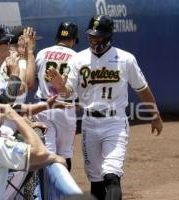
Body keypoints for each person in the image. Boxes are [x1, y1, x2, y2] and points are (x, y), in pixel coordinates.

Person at [46, 15, 163, 200]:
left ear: (108, 36)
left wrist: (155, 115)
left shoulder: (125, 59)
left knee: (111, 176)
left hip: (115, 123)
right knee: (96, 180)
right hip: (89, 123)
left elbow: (142, 88)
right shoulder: (78, 59)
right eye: (91, 35)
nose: (94, 39)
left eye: (98, 36)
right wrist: (61, 86)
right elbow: (68, 92)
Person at [35, 21, 79, 171]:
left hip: (43, 107)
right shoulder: (76, 57)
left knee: (47, 155)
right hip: (65, 109)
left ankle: (47, 193)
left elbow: (36, 78)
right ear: (73, 39)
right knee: (64, 156)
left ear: (57, 37)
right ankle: (63, 192)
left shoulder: (42, 53)